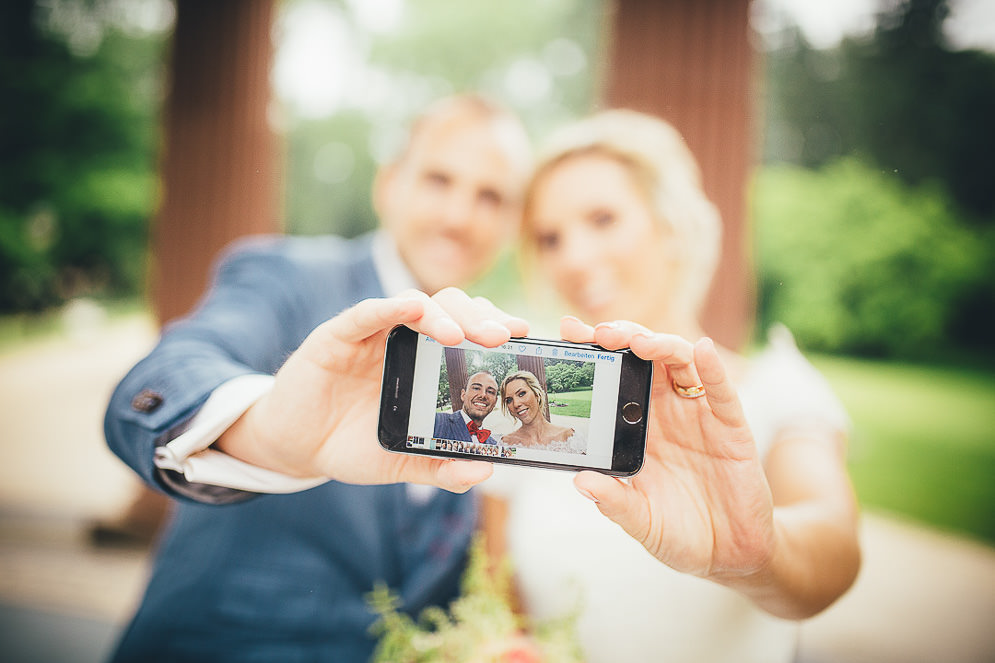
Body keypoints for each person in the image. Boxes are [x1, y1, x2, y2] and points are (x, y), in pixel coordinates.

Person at [103, 94, 532, 662]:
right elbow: (162, 378)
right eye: (438, 180)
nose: (459, 216)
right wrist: (267, 431)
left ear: (511, 223)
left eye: (490, 197)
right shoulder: (285, 276)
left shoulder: (496, 359)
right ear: (388, 186)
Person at [481, 109, 861, 662]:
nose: (575, 258)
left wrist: (755, 554)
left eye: (603, 219)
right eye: (550, 238)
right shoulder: (522, 399)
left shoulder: (780, 387)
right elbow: (500, 587)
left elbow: (834, 549)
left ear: (672, 226)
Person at [498, 369, 585, 452]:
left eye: (522, 394)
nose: (516, 404)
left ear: (537, 394)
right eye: (509, 400)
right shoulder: (505, 443)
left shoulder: (570, 437)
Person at [433, 370, 502, 445]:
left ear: (495, 402)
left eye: (490, 392)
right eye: (476, 388)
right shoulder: (437, 422)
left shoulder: (493, 445)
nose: (483, 395)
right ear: (463, 395)